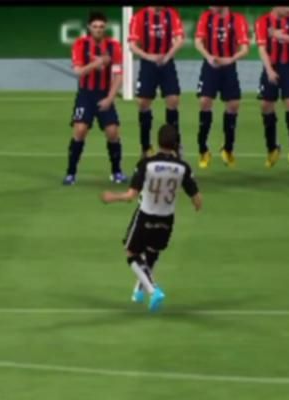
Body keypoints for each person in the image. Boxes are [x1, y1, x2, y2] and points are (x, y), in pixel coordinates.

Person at [101, 124, 203, 313]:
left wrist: (112, 197)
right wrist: (195, 204)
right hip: (167, 219)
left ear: (158, 141)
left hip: (146, 215)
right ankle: (138, 292)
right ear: (176, 144)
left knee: (131, 254)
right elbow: (197, 200)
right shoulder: (183, 167)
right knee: (151, 255)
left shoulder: (146, 164)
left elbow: (131, 195)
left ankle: (153, 290)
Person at [63, 11, 127, 186]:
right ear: (89, 28)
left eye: (101, 27)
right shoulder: (80, 45)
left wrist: (110, 98)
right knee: (80, 130)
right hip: (86, 94)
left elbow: (119, 75)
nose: (98, 29)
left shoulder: (114, 46)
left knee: (112, 132)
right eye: (95, 26)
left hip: (105, 94)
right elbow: (78, 72)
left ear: (105, 28)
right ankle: (71, 173)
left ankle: (116, 172)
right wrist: (96, 63)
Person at [194, 6, 250, 168]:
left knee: (233, 105)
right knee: (204, 102)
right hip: (210, 66)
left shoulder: (237, 19)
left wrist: (230, 59)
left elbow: (245, 48)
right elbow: (198, 41)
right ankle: (203, 150)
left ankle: (227, 149)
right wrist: (208, 57)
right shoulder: (206, 17)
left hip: (228, 66)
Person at [128, 6, 186, 158]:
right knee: (143, 103)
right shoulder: (139, 16)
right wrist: (149, 57)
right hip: (148, 63)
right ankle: (146, 147)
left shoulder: (171, 14)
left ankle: (174, 145)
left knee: (173, 100)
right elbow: (132, 45)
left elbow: (180, 40)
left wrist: (167, 57)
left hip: (167, 62)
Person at [255, 6, 289, 168]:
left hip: (288, 66)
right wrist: (269, 70)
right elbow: (262, 49)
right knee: (266, 105)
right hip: (270, 66)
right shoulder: (263, 22)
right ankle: (272, 149)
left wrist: (280, 36)